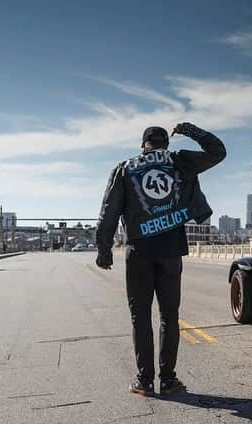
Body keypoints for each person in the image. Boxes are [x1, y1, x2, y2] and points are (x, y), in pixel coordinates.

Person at [95, 122, 225, 396]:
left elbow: (109, 209)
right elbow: (217, 151)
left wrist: (104, 250)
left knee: (140, 318)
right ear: (166, 144)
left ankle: (144, 381)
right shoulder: (179, 162)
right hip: (170, 249)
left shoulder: (125, 168)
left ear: (144, 145)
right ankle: (167, 380)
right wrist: (191, 130)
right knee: (169, 316)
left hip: (138, 251)